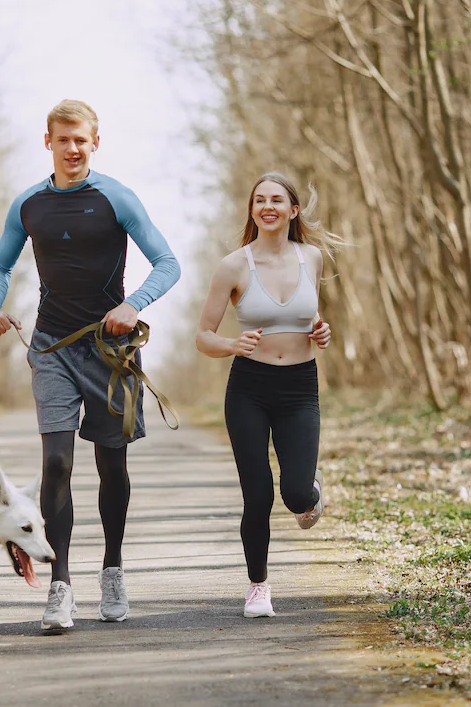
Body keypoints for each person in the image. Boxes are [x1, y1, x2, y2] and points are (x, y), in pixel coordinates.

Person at [0, 100, 180, 631]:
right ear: (48, 141)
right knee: (57, 464)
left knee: (112, 465)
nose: (73, 148)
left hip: (110, 354)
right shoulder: (28, 204)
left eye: (81, 140)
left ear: (95, 143)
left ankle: (112, 569)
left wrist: (133, 304)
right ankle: (60, 585)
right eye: (63, 139)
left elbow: (168, 262)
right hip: (51, 348)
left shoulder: (116, 197)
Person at [194, 171, 342, 618]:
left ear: (293, 210)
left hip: (299, 387)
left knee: (295, 495)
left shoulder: (311, 258)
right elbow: (203, 335)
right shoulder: (234, 265)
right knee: (257, 494)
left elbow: (309, 316)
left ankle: (312, 490)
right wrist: (230, 345)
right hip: (249, 388)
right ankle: (258, 587)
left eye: (277, 200)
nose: (268, 206)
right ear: (253, 210)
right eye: (260, 200)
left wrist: (321, 331)